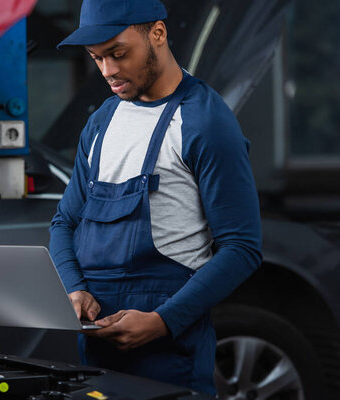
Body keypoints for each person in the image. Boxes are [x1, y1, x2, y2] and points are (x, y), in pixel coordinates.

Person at [49, 0, 262, 395]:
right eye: (97, 59)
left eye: (118, 53)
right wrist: (74, 288)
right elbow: (65, 222)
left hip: (169, 357)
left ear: (158, 34)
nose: (108, 71)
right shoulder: (102, 121)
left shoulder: (205, 121)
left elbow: (242, 248)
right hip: (95, 352)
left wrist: (163, 321)